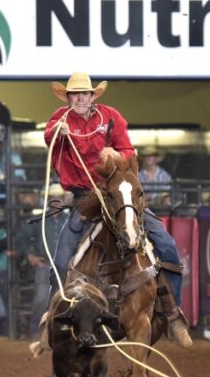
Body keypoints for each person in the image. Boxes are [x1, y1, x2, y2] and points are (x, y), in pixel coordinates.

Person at [43, 71, 192, 348]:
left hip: (117, 194)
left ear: (92, 96)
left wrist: (114, 158)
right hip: (84, 197)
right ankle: (53, 319)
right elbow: (48, 137)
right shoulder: (60, 120)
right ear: (68, 98)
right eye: (74, 95)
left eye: (84, 94)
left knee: (167, 246)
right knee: (61, 260)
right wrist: (57, 133)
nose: (80, 99)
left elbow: (127, 151)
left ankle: (173, 313)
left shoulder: (110, 117)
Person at [17, 183, 69, 336]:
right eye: (52, 197)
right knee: (41, 300)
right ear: (48, 200)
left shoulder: (69, 220)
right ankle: (37, 332)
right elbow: (22, 238)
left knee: (64, 301)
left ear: (62, 199)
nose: (55, 200)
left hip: (65, 266)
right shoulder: (40, 219)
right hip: (46, 265)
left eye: (58, 197)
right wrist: (29, 255)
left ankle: (59, 333)